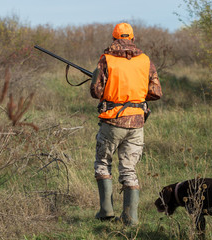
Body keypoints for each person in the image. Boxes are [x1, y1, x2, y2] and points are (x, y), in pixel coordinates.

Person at [90, 22, 162, 226]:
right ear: (132, 39)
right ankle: (131, 219)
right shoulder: (145, 60)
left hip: (112, 121)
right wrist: (136, 94)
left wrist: (99, 81)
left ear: (114, 39)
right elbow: (156, 92)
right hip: (137, 122)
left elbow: (96, 91)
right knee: (129, 168)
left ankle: (106, 212)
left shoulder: (107, 59)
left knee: (103, 163)